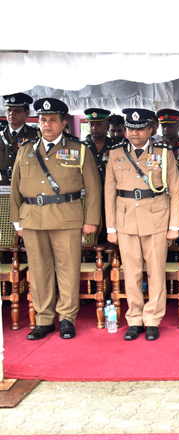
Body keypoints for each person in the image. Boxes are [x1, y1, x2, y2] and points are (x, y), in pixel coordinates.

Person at [10, 97, 102, 340]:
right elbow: (15, 188)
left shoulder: (79, 149)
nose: (47, 124)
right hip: (32, 218)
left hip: (66, 218)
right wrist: (17, 221)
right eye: (43, 120)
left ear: (63, 124)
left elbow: (93, 188)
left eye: (52, 120)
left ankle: (67, 318)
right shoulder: (26, 149)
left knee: (68, 269)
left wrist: (91, 219)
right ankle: (44, 319)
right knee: (39, 271)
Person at [105, 108, 179, 341]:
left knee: (156, 271)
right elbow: (109, 192)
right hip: (125, 218)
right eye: (130, 128)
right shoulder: (116, 153)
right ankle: (135, 319)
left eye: (140, 129)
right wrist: (111, 227)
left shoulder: (163, 153)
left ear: (150, 129)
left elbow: (176, 191)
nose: (134, 133)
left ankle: (152, 319)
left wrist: (174, 225)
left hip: (156, 217)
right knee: (131, 272)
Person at [1, 93, 40, 185]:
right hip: (2, 185)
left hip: (26, 185)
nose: (12, 113)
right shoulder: (1, 133)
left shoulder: (36, 134)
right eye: (9, 110)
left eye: (17, 111)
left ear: (27, 113)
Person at [83, 108, 114, 181]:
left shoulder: (115, 146)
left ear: (107, 127)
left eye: (98, 125)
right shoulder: (83, 146)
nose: (94, 128)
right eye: (91, 125)